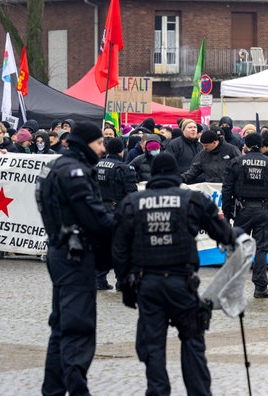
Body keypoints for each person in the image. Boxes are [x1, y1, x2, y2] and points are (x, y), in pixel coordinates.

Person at [113, 153, 237, 396]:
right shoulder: (192, 200)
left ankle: (158, 391)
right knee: (192, 341)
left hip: (147, 285)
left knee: (153, 346)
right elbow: (223, 233)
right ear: (174, 174)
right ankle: (199, 392)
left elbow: (119, 249)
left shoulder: (131, 202)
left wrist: (125, 285)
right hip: (182, 285)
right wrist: (239, 235)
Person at [35, 121, 114, 396]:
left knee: (61, 327)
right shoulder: (75, 171)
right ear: (85, 144)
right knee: (77, 329)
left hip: (61, 252)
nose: (103, 149)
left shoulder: (57, 166)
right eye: (99, 143)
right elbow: (94, 217)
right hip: (74, 255)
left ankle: (53, 390)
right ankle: (77, 390)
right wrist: (123, 224)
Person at [222, 132, 268, 298]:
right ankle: (261, 287)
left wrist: (227, 215)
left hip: (242, 211)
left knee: (238, 248)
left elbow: (226, 190)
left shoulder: (236, 162)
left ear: (246, 145)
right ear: (261, 144)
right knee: (261, 248)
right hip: (263, 210)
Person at [95, 137, 137, 290]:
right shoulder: (125, 168)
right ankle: (122, 281)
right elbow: (132, 194)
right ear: (121, 150)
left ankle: (99, 280)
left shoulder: (96, 165)